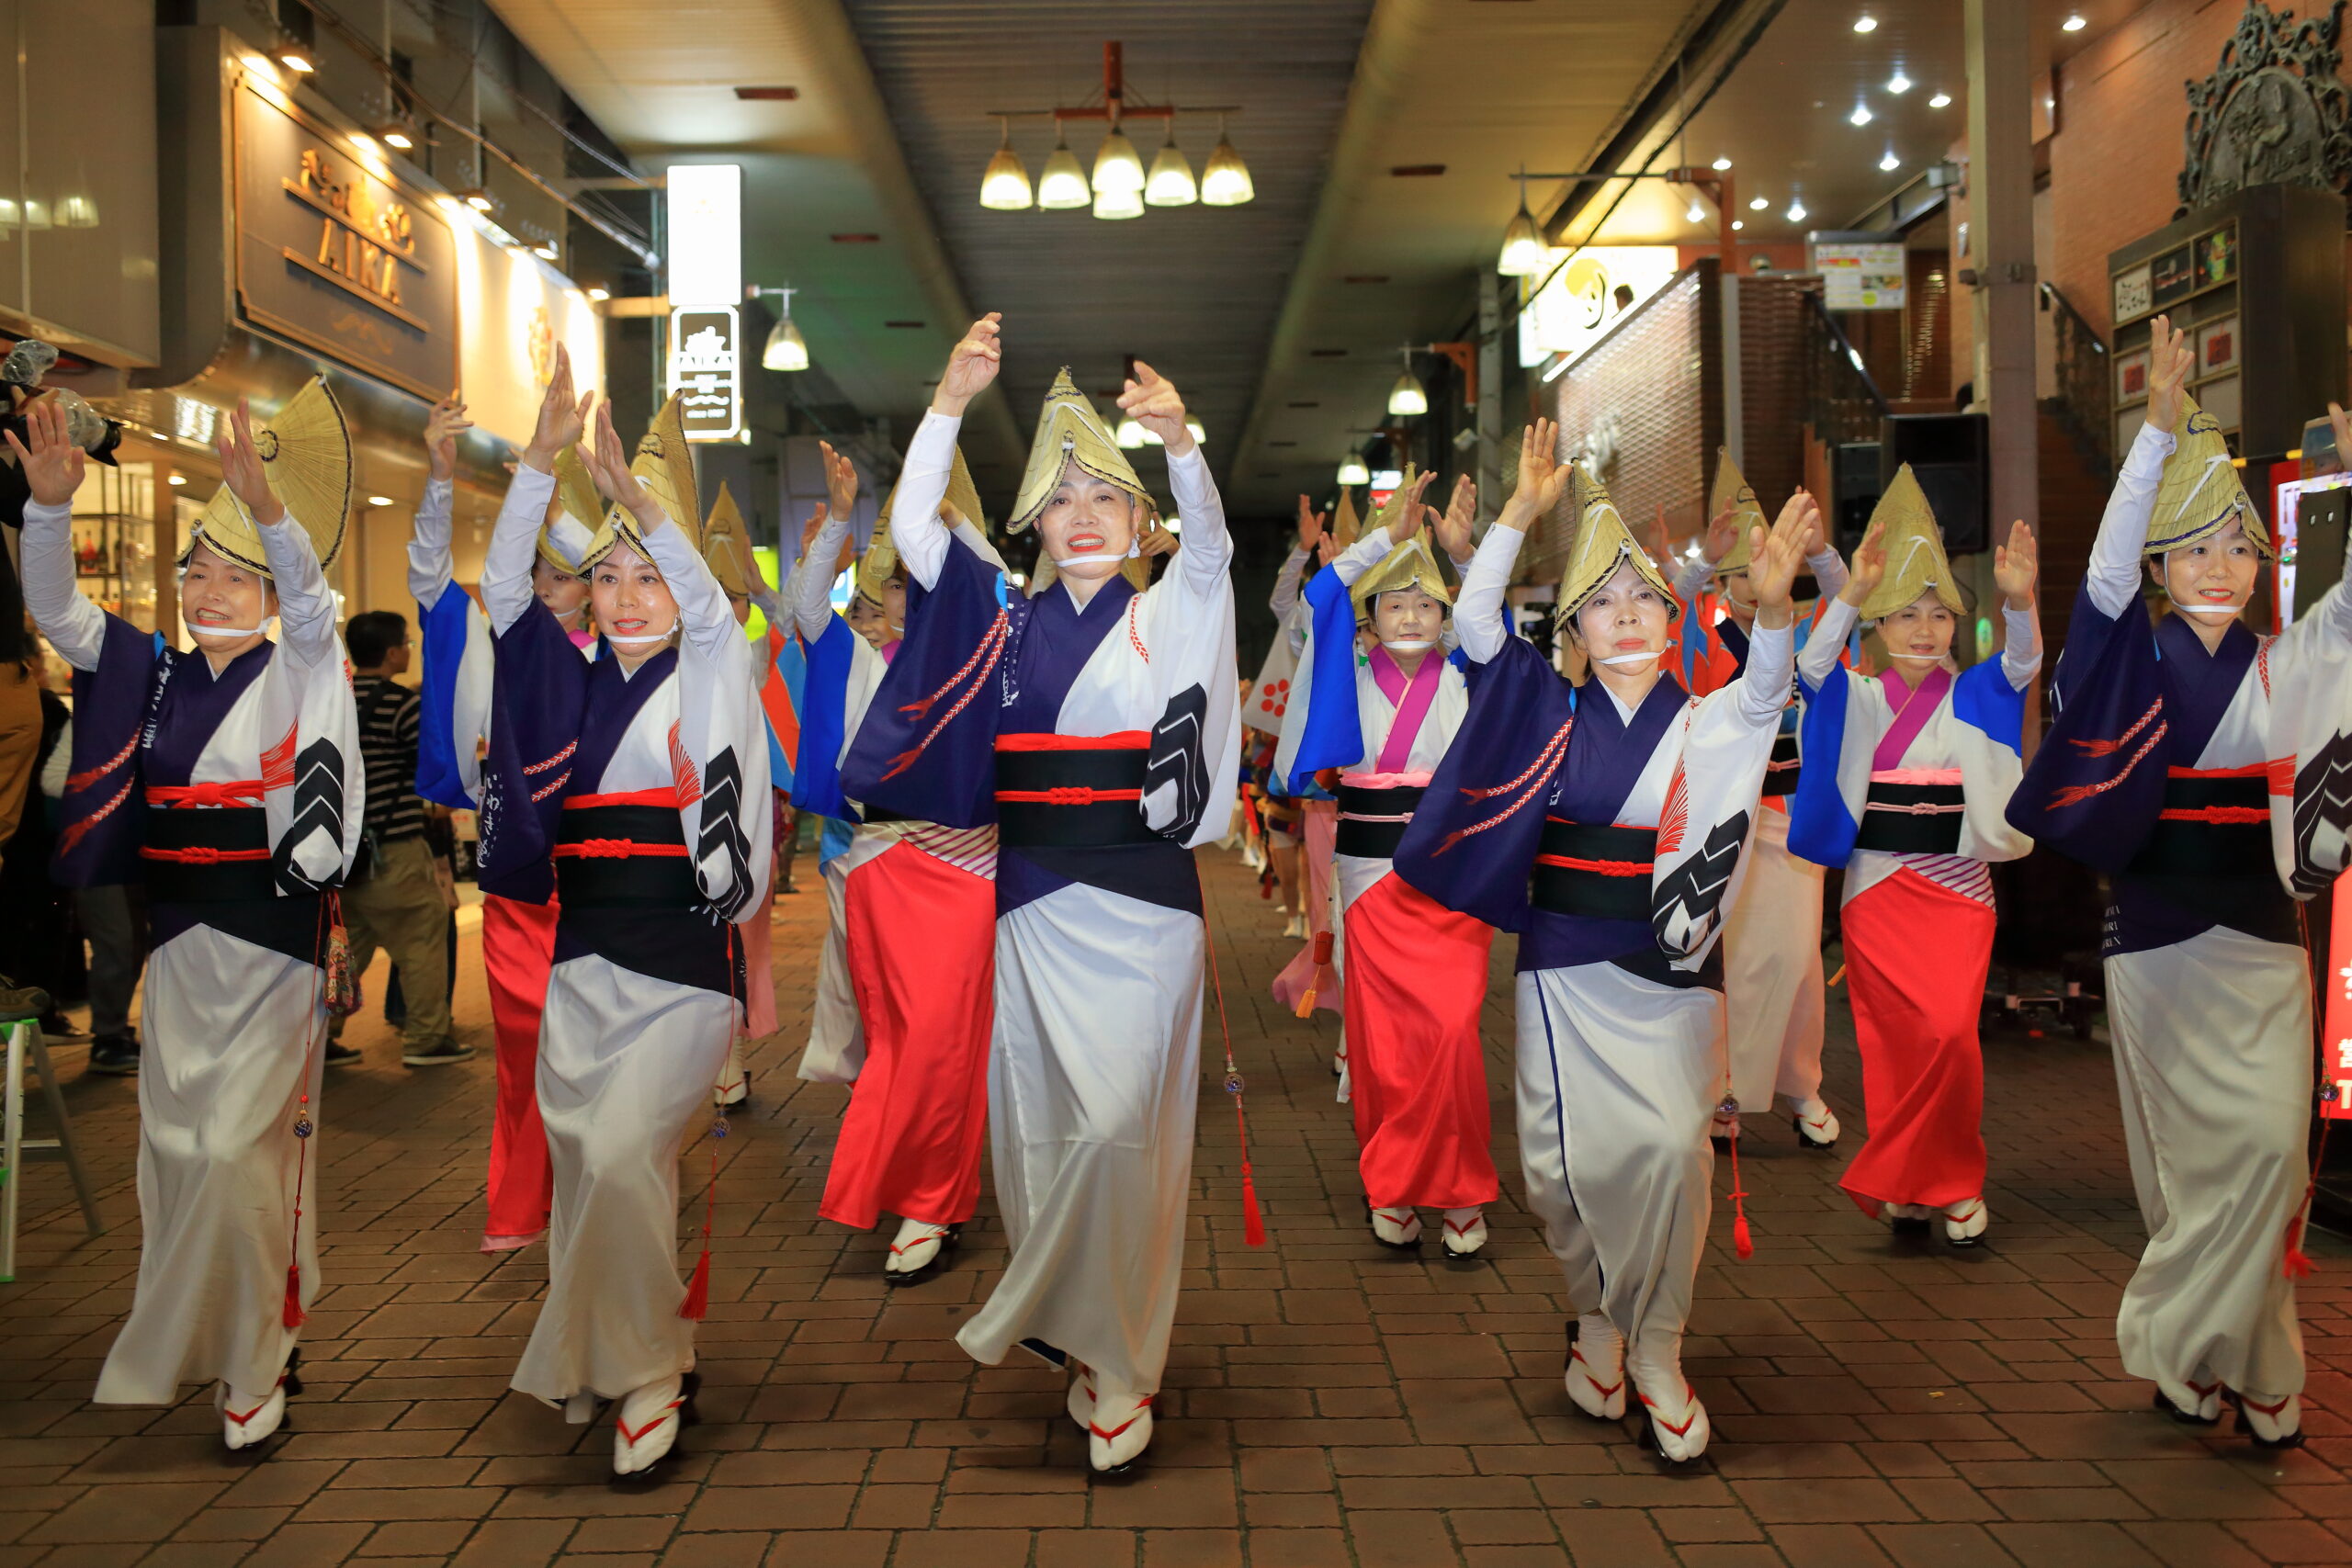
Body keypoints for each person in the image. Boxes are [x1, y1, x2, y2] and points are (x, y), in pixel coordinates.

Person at [842, 315, 1239, 1474]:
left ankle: (1120, 1357)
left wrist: (1178, 445)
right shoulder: (998, 626)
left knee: (1126, 1126)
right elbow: (914, 529)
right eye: (1061, 498)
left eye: (1105, 499)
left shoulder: (1170, 611)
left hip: (1147, 906)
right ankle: (1082, 1332)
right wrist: (949, 404)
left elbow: (1211, 552)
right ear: (1032, 523)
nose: (1081, 515)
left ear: (1139, 526)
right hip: (1029, 902)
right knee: (1045, 1126)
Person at [1398, 425, 1811, 1463]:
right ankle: (1593, 1318)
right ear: (1575, 630)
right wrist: (1516, 517)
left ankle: (1659, 1348)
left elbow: (1768, 696)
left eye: (1641, 603)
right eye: (1601, 606)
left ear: (1669, 621)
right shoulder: (1543, 705)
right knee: (1563, 1165)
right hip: (1561, 961)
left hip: (1671, 971)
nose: (1623, 617)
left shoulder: (1709, 719)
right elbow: (1480, 622)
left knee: (1672, 1154)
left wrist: (1769, 606)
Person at [2007, 316, 2352, 1449]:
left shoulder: (2279, 662)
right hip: (2154, 939)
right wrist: (2150, 442)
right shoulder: (2126, 656)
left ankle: (2180, 1344)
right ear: (2159, 566)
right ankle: (2246, 1369)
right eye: (2193, 549)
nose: (2219, 567)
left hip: (2262, 944)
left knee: (2270, 1158)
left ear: (2264, 566)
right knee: (2190, 1170)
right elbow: (2099, 586)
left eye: (2239, 548)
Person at [20, 387, 360, 1451]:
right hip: (177, 949)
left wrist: (269, 516)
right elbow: (59, 615)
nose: (209, 590)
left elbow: (308, 601)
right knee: (180, 1154)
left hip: (273, 949)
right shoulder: (148, 674)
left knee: (229, 1150)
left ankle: (251, 1357)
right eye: (195, 574)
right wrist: (45, 512)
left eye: (234, 576)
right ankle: (265, 1318)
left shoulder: (302, 663)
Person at [479, 358, 771, 1475]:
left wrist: (642, 505)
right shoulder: (567, 681)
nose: (629, 595)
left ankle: (645, 1370)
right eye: (609, 577)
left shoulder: (713, 661)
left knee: (620, 1148)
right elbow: (509, 593)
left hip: (686, 967)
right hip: (583, 963)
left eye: (647, 575)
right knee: (596, 1167)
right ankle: (640, 1345)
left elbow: (704, 600)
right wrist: (539, 461)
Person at [1788, 468, 2040, 1247]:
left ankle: (1953, 1177)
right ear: (1880, 628)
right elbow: (1810, 669)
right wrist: (1850, 594)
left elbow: (2024, 667)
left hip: (1959, 889)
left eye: (1937, 614)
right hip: (1877, 889)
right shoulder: (1857, 694)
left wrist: (2021, 603)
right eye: (1904, 615)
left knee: (1951, 1035)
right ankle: (1910, 1184)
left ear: (1958, 625)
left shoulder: (1976, 693)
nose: (1923, 630)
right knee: (1892, 1042)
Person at [792, 445, 1001, 1284]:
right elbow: (807, 606)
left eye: (923, 600)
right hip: (871, 865)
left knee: (942, 1042)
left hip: (963, 868)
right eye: (894, 601)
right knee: (892, 1037)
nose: (907, 616)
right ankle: (915, 1176)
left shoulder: (990, 663)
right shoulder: (859, 660)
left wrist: (959, 523)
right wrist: (840, 520)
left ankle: (932, 1197)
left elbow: (993, 588)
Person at [1277, 467, 1495, 1254]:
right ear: (1369, 617)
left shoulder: (1468, 676)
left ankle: (1462, 1184)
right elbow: (1316, 601)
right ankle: (1394, 1179)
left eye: (1426, 602)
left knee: (1453, 1033)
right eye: (1394, 600)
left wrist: (1467, 559)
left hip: (1451, 873)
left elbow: (1496, 629)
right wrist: (1386, 542)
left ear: (1445, 616)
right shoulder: (1347, 677)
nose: (1410, 613)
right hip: (1368, 875)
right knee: (1385, 1038)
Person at [408, 393, 600, 1251]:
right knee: (523, 1046)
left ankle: (597, 1193)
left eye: (562, 576)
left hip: (600, 882)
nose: (540, 589)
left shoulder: (619, 661)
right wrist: (442, 481)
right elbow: (431, 581)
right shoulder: (491, 636)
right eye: (535, 574)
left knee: (600, 1050)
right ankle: (525, 1200)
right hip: (520, 873)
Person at [1673, 451, 1849, 1149]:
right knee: (1734, 962)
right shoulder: (1702, 640)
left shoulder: (1805, 639)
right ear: (1723, 580)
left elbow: (1852, 608)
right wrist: (1695, 563)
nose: (1755, 577)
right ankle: (1725, 1088)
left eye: (1765, 562)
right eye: (1740, 568)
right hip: (1729, 823)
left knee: (1800, 960)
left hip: (1794, 818)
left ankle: (1802, 1083)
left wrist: (1824, 550)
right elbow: (1664, 619)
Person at [334, 610, 467, 1068]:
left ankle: (319, 1036)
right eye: (406, 642)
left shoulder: (333, 700)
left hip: (343, 852)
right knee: (422, 940)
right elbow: (431, 770)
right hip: (394, 846)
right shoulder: (402, 705)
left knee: (346, 946)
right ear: (392, 652)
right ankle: (427, 1038)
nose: (409, 649)